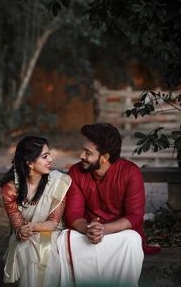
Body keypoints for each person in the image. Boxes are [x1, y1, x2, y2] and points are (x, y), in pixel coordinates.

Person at [58, 123, 156, 287]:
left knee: (132, 239)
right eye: (83, 150)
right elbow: (73, 216)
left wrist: (104, 230)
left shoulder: (130, 172)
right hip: (87, 233)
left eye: (88, 153)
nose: (82, 155)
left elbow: (135, 217)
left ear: (104, 157)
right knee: (62, 240)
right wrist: (89, 229)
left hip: (119, 235)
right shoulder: (76, 172)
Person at [0, 136, 71, 287]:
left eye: (49, 154)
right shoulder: (11, 188)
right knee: (27, 249)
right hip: (24, 236)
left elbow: (53, 223)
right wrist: (21, 231)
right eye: (45, 156)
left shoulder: (58, 182)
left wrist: (31, 227)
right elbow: (17, 225)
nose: (50, 159)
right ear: (29, 162)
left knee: (44, 251)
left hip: (51, 233)